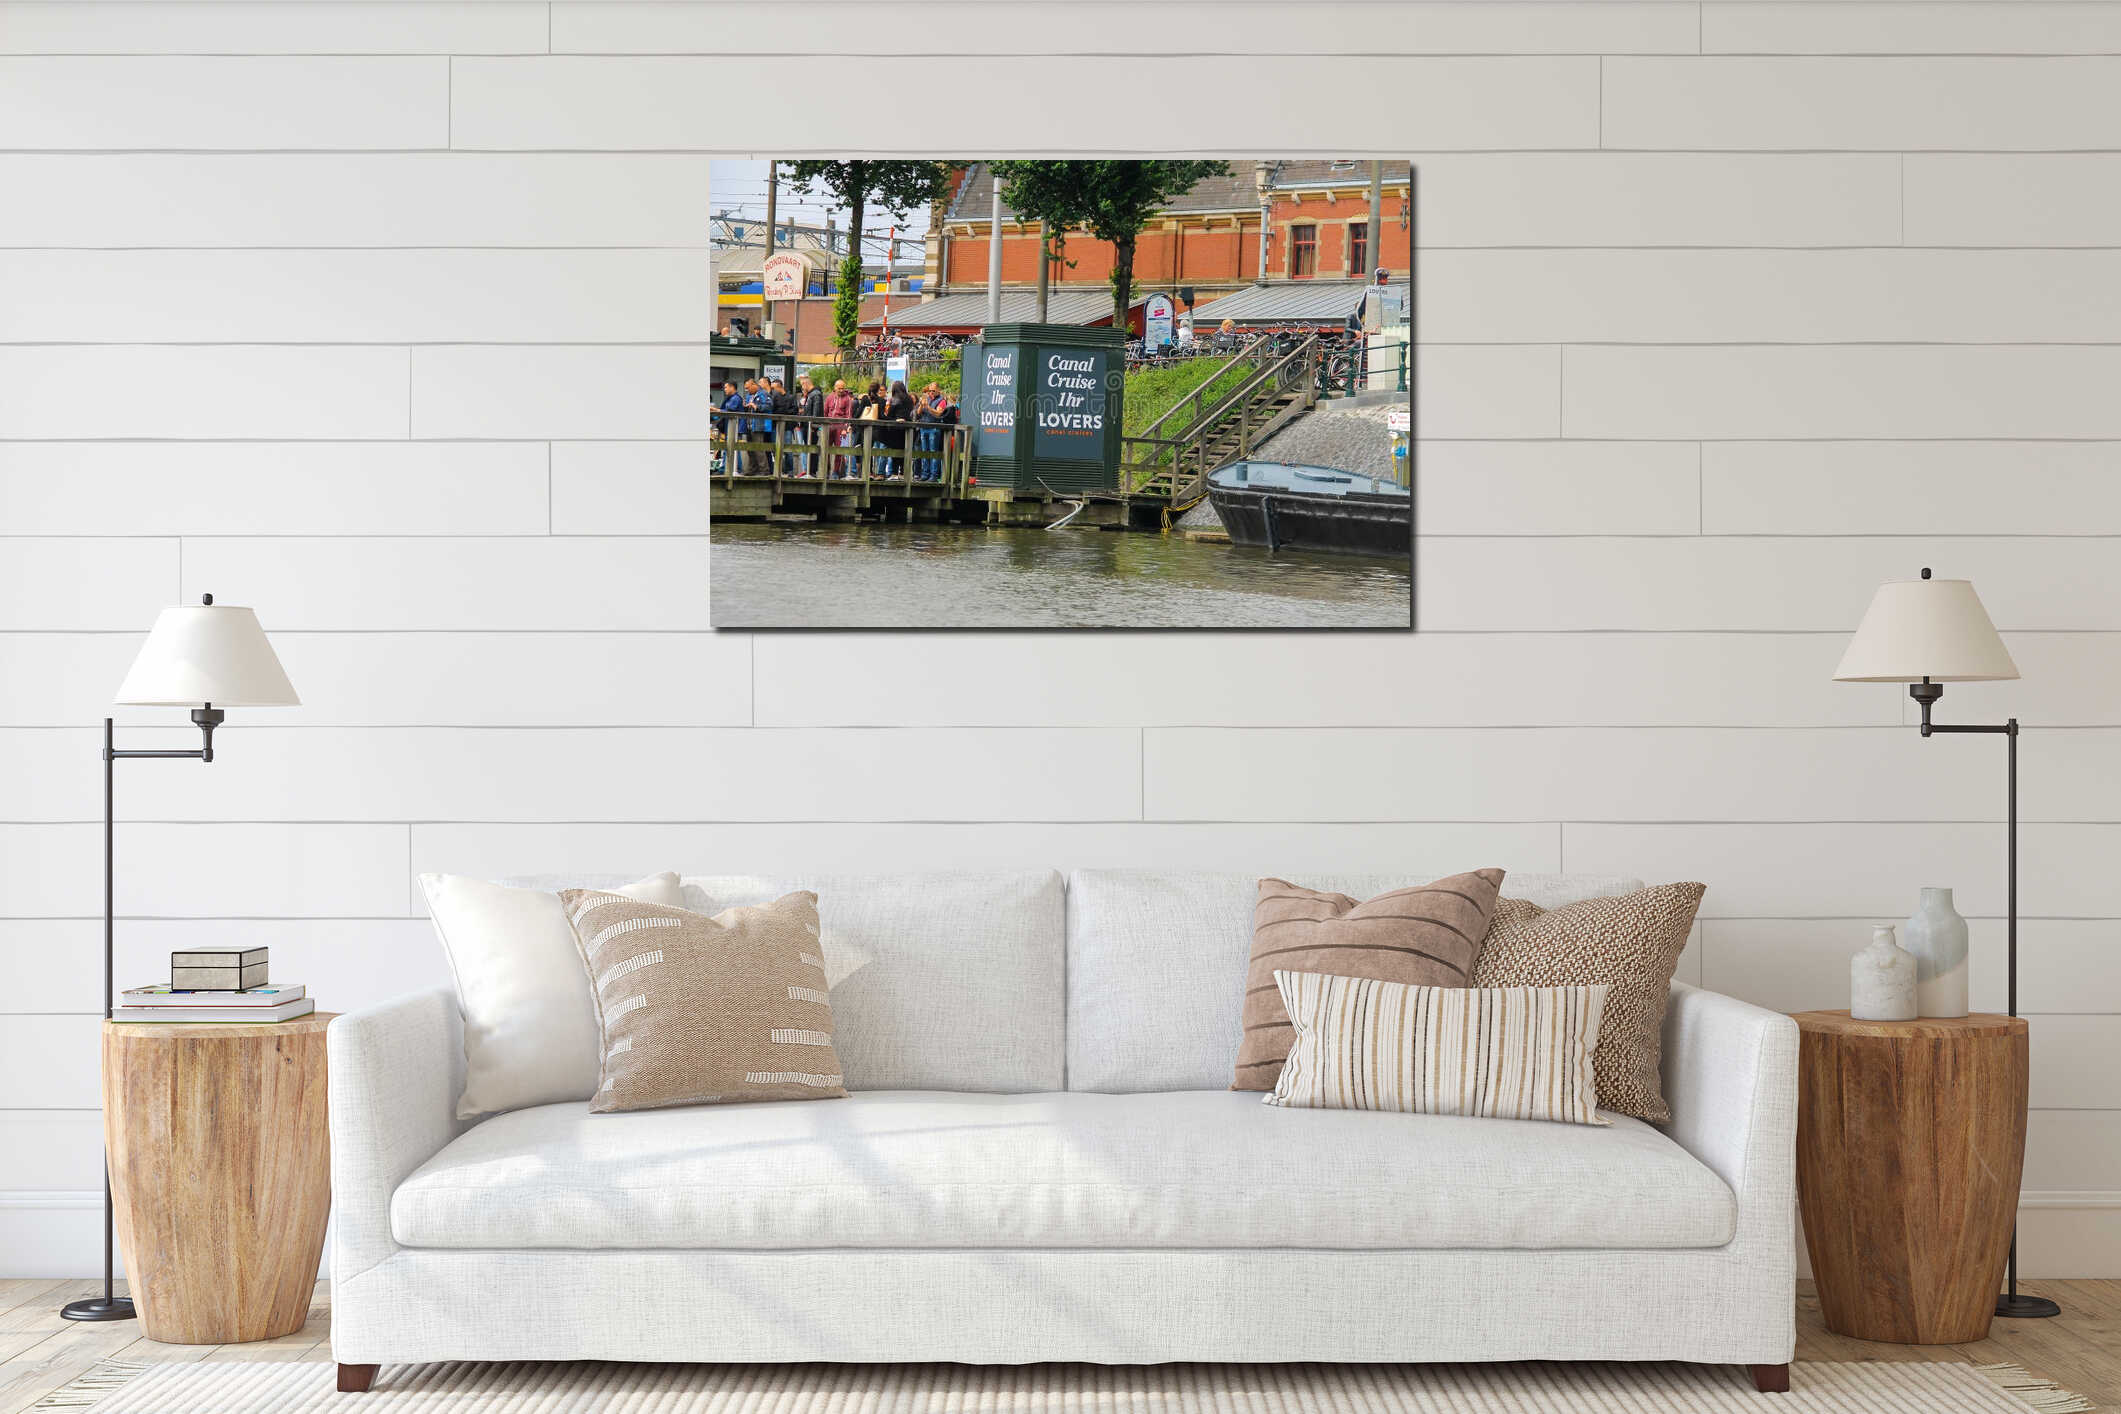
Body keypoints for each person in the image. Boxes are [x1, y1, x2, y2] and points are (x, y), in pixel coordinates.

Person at [880, 379, 915, 480]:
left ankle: (895, 473)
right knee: (904, 451)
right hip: (906, 429)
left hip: (896, 428)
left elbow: (890, 413)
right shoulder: (909, 399)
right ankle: (903, 473)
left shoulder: (895, 399)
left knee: (895, 451)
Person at [823, 379, 856, 477]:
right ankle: (826, 470)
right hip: (829, 425)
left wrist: (845, 428)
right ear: (835, 387)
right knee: (825, 449)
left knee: (839, 450)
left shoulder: (847, 399)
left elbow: (848, 415)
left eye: (843, 388)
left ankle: (835, 471)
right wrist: (824, 425)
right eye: (839, 388)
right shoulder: (829, 397)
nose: (841, 390)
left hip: (840, 426)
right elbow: (825, 412)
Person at [744, 378, 775, 475]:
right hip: (749, 425)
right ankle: (752, 469)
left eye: (748, 388)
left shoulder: (763, 394)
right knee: (750, 449)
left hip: (758, 425)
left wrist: (756, 407)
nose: (747, 390)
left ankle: (764, 470)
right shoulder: (750, 396)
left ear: (754, 385)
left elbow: (769, 406)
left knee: (759, 449)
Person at [798, 375, 825, 476]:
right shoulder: (810, 395)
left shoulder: (816, 394)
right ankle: (810, 470)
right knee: (809, 447)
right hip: (807, 425)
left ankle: (812, 471)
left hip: (811, 426)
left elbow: (816, 412)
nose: (801, 388)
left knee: (812, 448)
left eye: (802, 385)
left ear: (805, 384)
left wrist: (813, 426)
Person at [715, 380, 743, 474]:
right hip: (729, 427)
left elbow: (730, 410)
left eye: (726, 387)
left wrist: (716, 409)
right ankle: (726, 468)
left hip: (734, 427)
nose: (724, 389)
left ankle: (736, 469)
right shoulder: (730, 398)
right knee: (729, 447)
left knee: (733, 447)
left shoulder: (736, 398)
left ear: (732, 387)